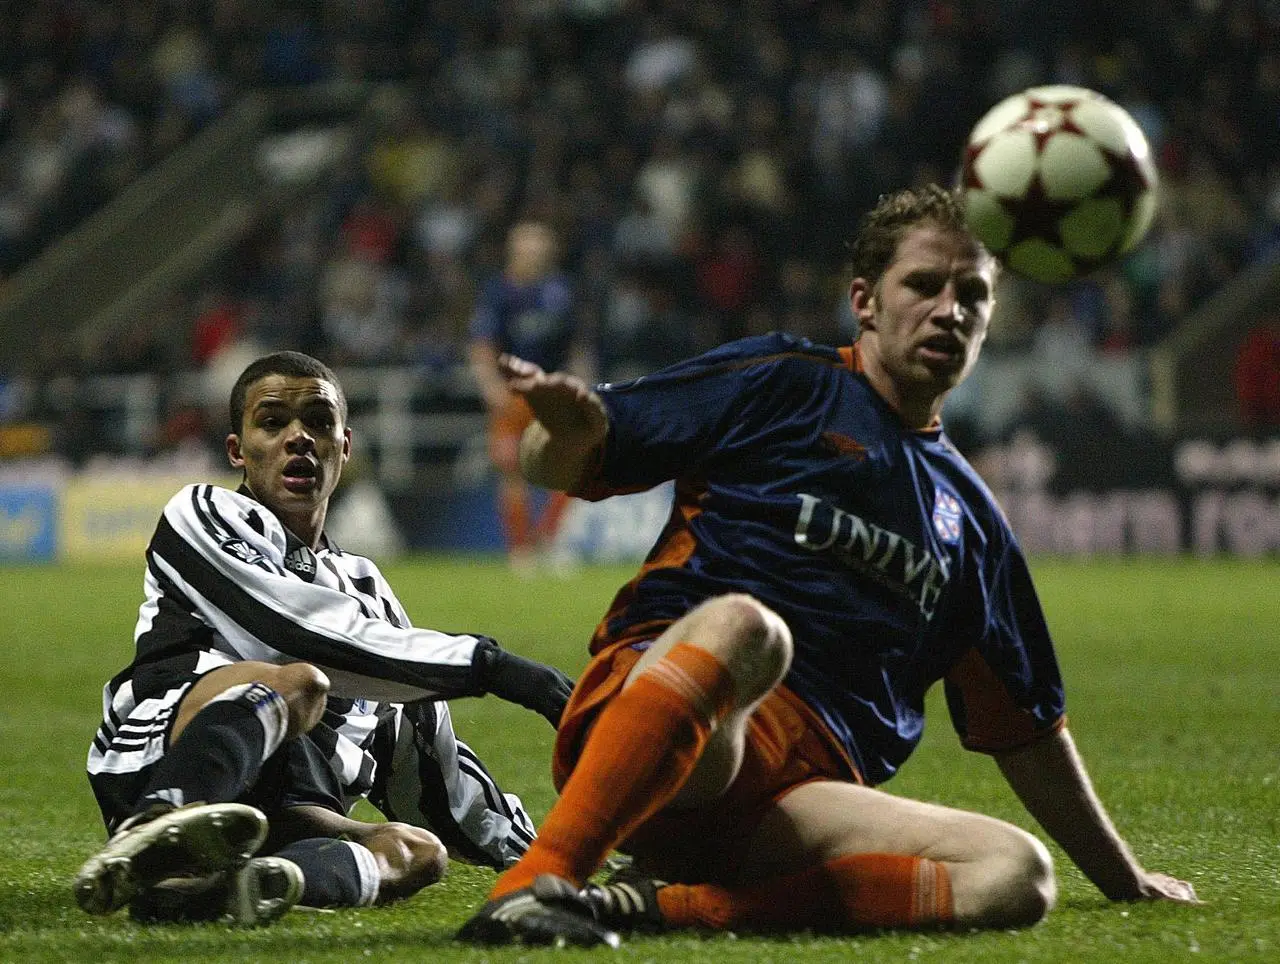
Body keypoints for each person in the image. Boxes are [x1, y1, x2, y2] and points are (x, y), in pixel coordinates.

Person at [456, 185, 1199, 947]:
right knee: (752, 628)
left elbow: (1028, 730)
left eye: (972, 294)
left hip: (796, 803)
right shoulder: (784, 381)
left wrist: (1124, 877)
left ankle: (654, 907)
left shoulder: (973, 522)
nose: (950, 310)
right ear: (866, 301)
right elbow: (563, 456)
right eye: (923, 284)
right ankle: (537, 882)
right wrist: (564, 431)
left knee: (1015, 872)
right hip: (671, 725)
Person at [75, 350, 573, 924]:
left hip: (287, 804)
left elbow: (436, 771)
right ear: (237, 450)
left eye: (318, 420)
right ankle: (155, 833)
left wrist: (550, 857)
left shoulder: (367, 590)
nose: (298, 437)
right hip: (162, 758)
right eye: (272, 422)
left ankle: (236, 890)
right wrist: (501, 669)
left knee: (417, 852)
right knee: (299, 683)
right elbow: (303, 633)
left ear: (345, 445)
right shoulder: (202, 513)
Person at [468, 220, 581, 573]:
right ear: (513, 250)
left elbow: (577, 345)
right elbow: (482, 345)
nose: (533, 252)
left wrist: (580, 383)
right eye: (526, 245)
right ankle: (520, 550)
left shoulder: (561, 290)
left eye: (539, 245)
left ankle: (548, 541)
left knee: (571, 469)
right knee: (513, 471)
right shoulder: (497, 292)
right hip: (514, 394)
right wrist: (491, 387)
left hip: (551, 391)